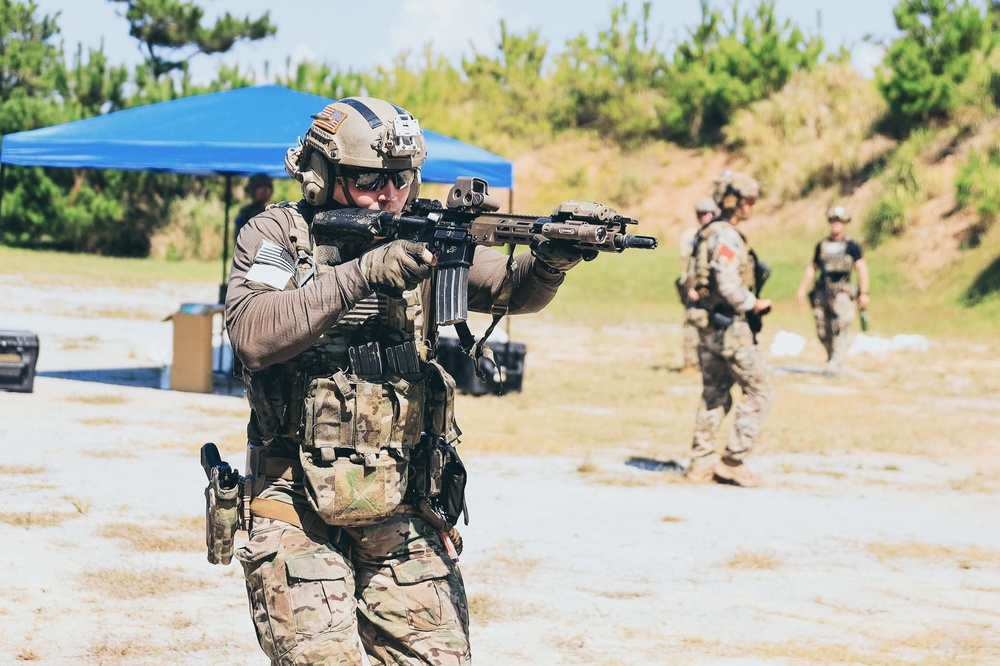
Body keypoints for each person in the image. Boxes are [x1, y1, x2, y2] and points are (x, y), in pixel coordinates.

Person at [225, 97, 587, 665]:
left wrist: (550, 261)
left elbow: (509, 287)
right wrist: (364, 271)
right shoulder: (280, 236)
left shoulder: (425, 234)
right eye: (370, 180)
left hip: (401, 506)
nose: (389, 195)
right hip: (294, 503)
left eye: (402, 179)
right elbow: (251, 332)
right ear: (321, 177)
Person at [684, 171, 774, 488]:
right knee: (760, 392)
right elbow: (726, 280)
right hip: (731, 330)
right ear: (735, 201)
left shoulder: (706, 232)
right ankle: (732, 462)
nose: (752, 206)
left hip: (708, 326)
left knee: (713, 396)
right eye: (749, 200)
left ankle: (700, 465)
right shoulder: (727, 237)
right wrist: (753, 304)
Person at [795, 205, 870, 377]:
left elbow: (861, 268)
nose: (835, 225)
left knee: (841, 328)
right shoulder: (821, 246)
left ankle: (835, 363)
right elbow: (812, 268)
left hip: (842, 293)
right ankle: (832, 358)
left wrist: (864, 293)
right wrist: (802, 289)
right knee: (823, 331)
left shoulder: (852, 246)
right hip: (822, 293)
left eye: (838, 222)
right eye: (832, 222)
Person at [677, 197, 721, 376]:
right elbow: (687, 264)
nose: (705, 217)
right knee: (693, 323)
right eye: (702, 214)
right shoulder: (693, 236)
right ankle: (691, 364)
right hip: (696, 289)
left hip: (714, 289)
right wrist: (690, 287)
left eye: (709, 213)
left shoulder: (719, 234)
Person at [234, 172, 274, 244]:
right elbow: (239, 237)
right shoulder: (245, 212)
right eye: (260, 186)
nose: (265, 190)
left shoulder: (273, 211)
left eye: (268, 187)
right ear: (252, 190)